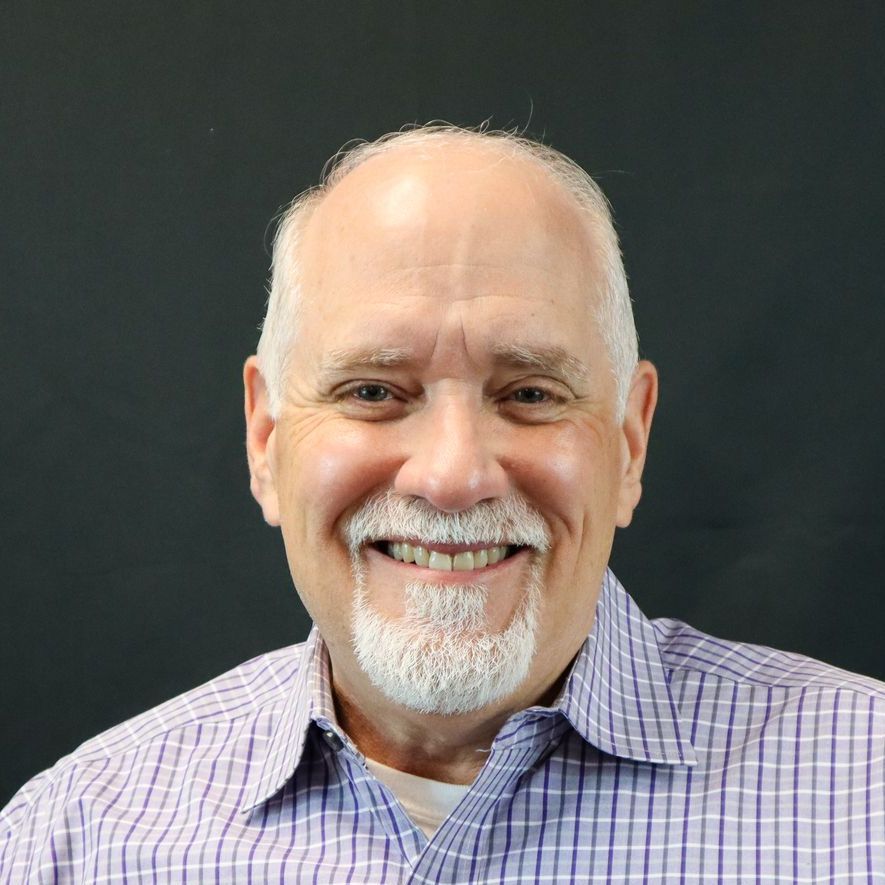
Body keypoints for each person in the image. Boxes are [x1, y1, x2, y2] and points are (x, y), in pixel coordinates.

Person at [2, 124, 882, 883]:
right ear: (266, 437)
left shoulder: (862, 799)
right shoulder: (72, 843)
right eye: (374, 392)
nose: (453, 475)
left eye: (531, 393)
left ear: (627, 440)